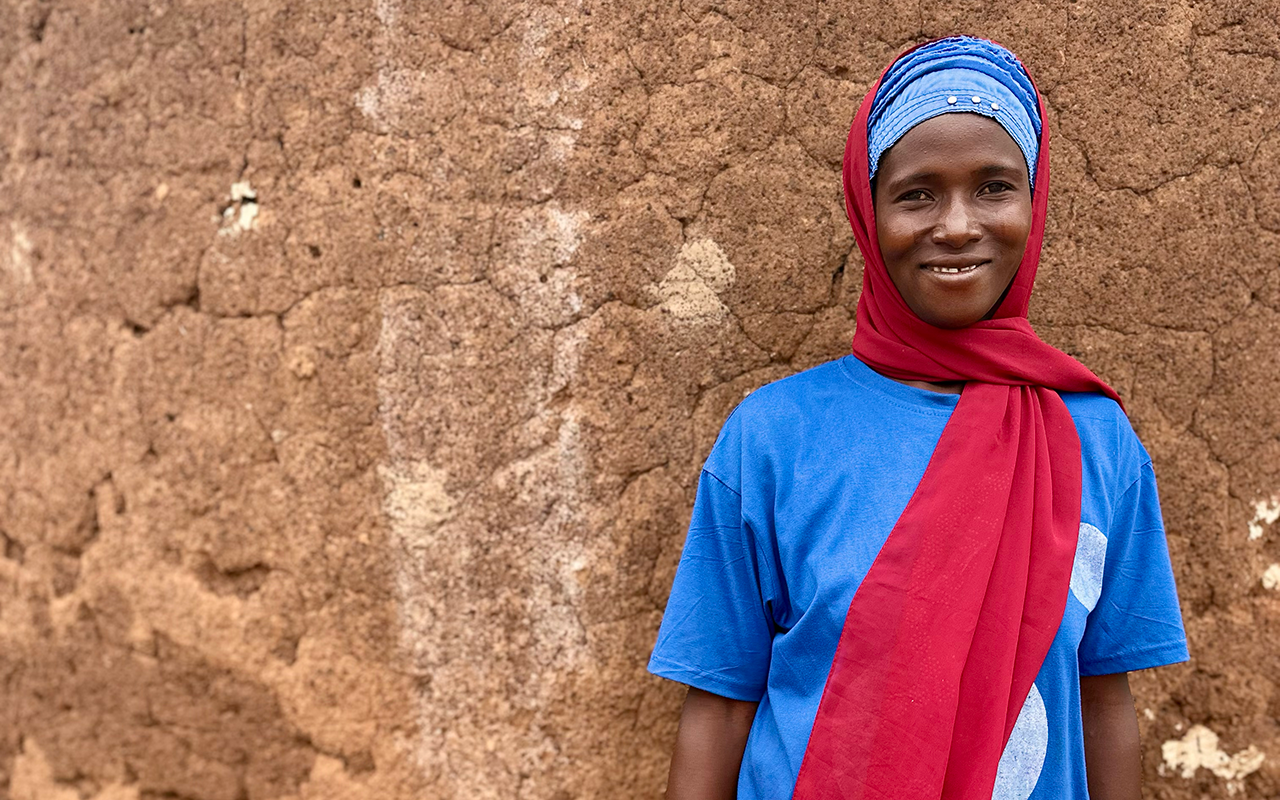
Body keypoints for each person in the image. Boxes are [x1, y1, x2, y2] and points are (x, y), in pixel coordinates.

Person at [647, 36, 1189, 800]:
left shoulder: (1095, 440)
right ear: (869, 213)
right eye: (917, 193)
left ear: (1034, 202)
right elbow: (720, 708)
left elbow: (1102, 701)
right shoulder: (773, 438)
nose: (959, 226)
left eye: (994, 186)